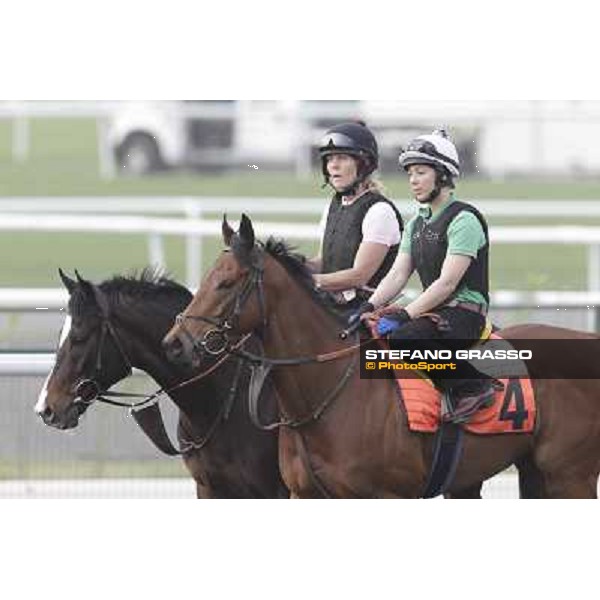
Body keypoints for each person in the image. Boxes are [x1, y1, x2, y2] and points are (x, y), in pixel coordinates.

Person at [348, 129, 499, 423]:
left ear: (442, 175)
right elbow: (397, 274)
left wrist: (405, 314)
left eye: (421, 172)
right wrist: (367, 307)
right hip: (436, 311)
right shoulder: (416, 222)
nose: (413, 180)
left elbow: (447, 284)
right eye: (410, 174)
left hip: (464, 314)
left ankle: (473, 388)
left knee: (405, 338)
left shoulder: (464, 220)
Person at [309, 121, 403, 311]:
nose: (333, 166)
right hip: (331, 305)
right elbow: (323, 261)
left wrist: (308, 281)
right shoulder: (334, 205)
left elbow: (359, 276)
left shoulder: (379, 211)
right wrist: (284, 266)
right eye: (329, 159)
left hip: (365, 311)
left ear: (363, 164)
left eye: (342, 158)